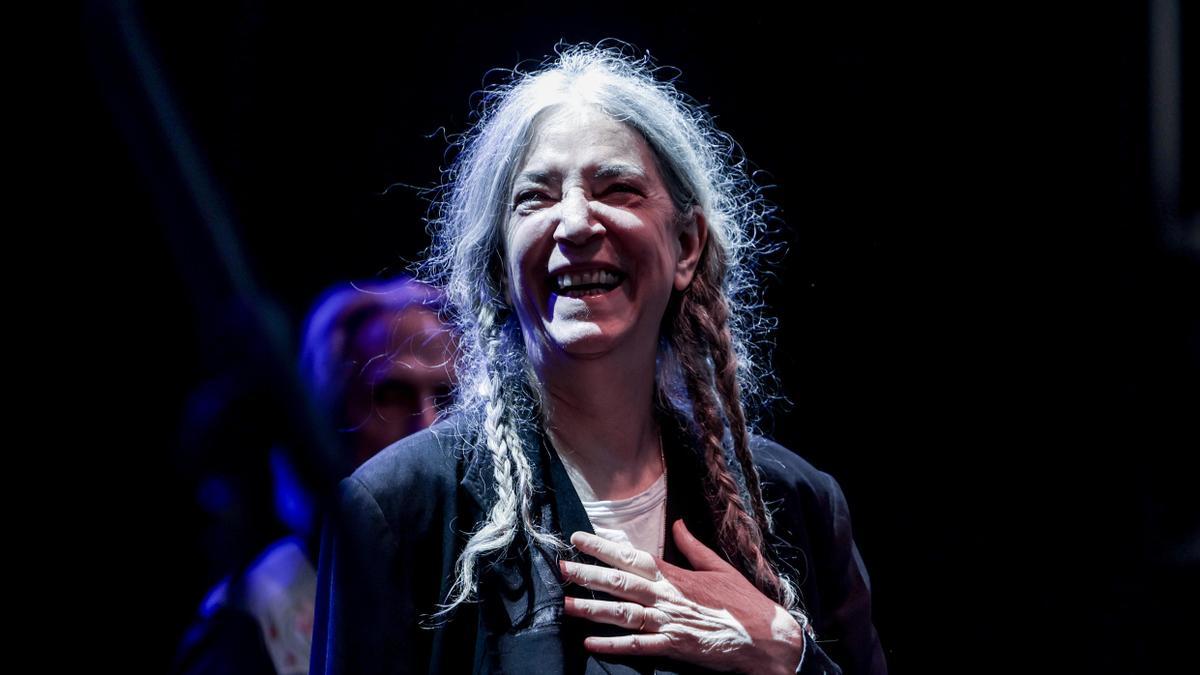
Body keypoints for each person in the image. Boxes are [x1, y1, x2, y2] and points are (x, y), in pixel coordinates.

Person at [311, 44, 886, 675]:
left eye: (618, 189)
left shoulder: (795, 502)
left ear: (687, 245)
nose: (577, 223)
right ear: (501, 265)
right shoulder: (400, 508)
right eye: (537, 198)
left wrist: (788, 652)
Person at [174, 276, 457, 675]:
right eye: (391, 396)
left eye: (447, 398)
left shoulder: (480, 582)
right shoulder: (260, 615)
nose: (429, 426)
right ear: (328, 417)